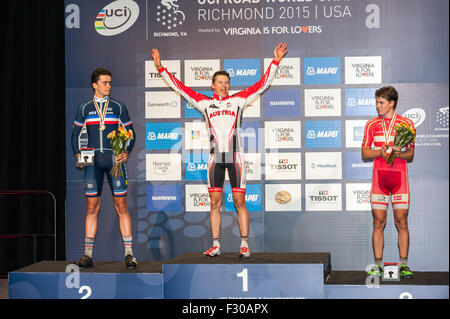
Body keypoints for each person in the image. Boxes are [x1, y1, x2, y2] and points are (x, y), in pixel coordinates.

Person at [152, 42, 288, 258]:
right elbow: (181, 87)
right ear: (213, 85)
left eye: (227, 82)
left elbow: (262, 84)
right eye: (220, 82)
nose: (224, 85)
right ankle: (216, 245)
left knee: (239, 201)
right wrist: (161, 68)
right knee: (214, 203)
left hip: (235, 157)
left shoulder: (239, 100)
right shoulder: (204, 103)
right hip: (215, 158)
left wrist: (276, 61)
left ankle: (244, 244)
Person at [71, 68, 137, 269]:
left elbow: (131, 132)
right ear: (94, 85)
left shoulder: (118, 106)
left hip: (115, 160)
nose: (109, 86)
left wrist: (126, 150)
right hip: (92, 163)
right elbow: (75, 135)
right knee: (92, 207)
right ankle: (87, 255)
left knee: (121, 206)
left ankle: (129, 254)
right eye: (104, 83)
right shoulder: (84, 107)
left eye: (110, 82)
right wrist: (77, 155)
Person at [361, 86, 416, 279]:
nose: (377, 106)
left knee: (401, 221)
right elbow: (365, 153)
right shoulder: (371, 125)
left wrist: (397, 152)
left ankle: (403, 265)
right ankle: (377, 265)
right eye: (376, 102)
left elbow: (410, 155)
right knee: (378, 222)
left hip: (399, 178)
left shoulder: (406, 124)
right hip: (380, 179)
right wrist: (381, 151)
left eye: (381, 102)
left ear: (391, 103)